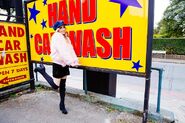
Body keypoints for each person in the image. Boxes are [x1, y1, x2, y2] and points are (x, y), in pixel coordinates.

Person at [34, 20, 79, 114]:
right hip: (58, 64)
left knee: (63, 86)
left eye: (64, 27)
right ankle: (42, 71)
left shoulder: (65, 38)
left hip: (65, 64)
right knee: (55, 86)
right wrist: (71, 62)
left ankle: (62, 105)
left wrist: (75, 61)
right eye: (61, 27)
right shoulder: (57, 37)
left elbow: (70, 50)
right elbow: (63, 51)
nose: (63, 29)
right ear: (57, 29)